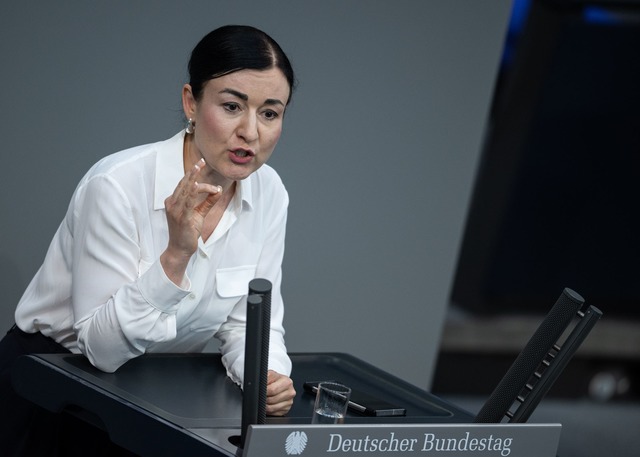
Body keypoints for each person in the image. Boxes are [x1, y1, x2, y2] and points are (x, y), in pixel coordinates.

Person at [0, 24, 297, 456]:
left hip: (149, 397)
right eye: (232, 106)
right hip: (50, 386)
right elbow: (101, 350)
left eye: (270, 113)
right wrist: (176, 256)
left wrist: (266, 375)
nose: (251, 132)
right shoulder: (117, 185)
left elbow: (251, 320)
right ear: (190, 102)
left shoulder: (270, 192)